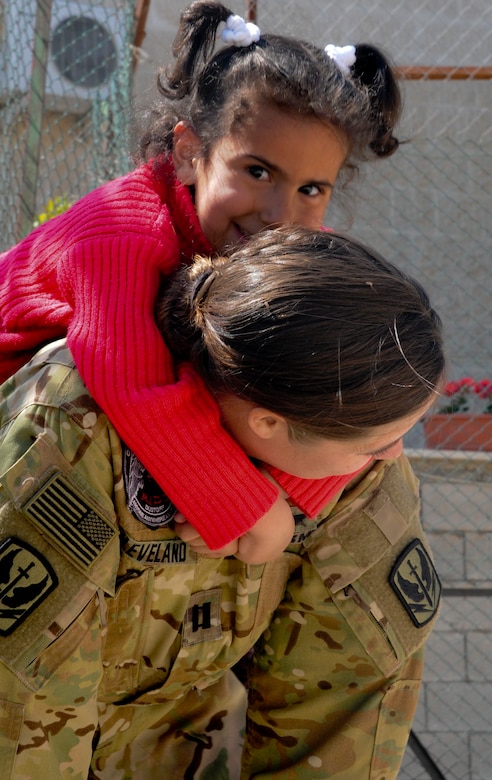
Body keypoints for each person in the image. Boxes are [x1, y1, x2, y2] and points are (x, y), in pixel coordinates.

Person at [0, 226, 443, 779]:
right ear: (268, 422)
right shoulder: (74, 432)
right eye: (375, 444)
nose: (393, 455)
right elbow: (22, 704)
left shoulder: (354, 452)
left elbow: (346, 704)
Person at [0, 1, 402, 563]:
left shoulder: (284, 249)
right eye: (257, 172)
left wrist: (304, 486)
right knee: (86, 373)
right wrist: (248, 507)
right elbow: (136, 384)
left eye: (312, 189)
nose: (280, 213)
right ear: (190, 153)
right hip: (18, 416)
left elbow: (355, 371)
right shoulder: (118, 229)